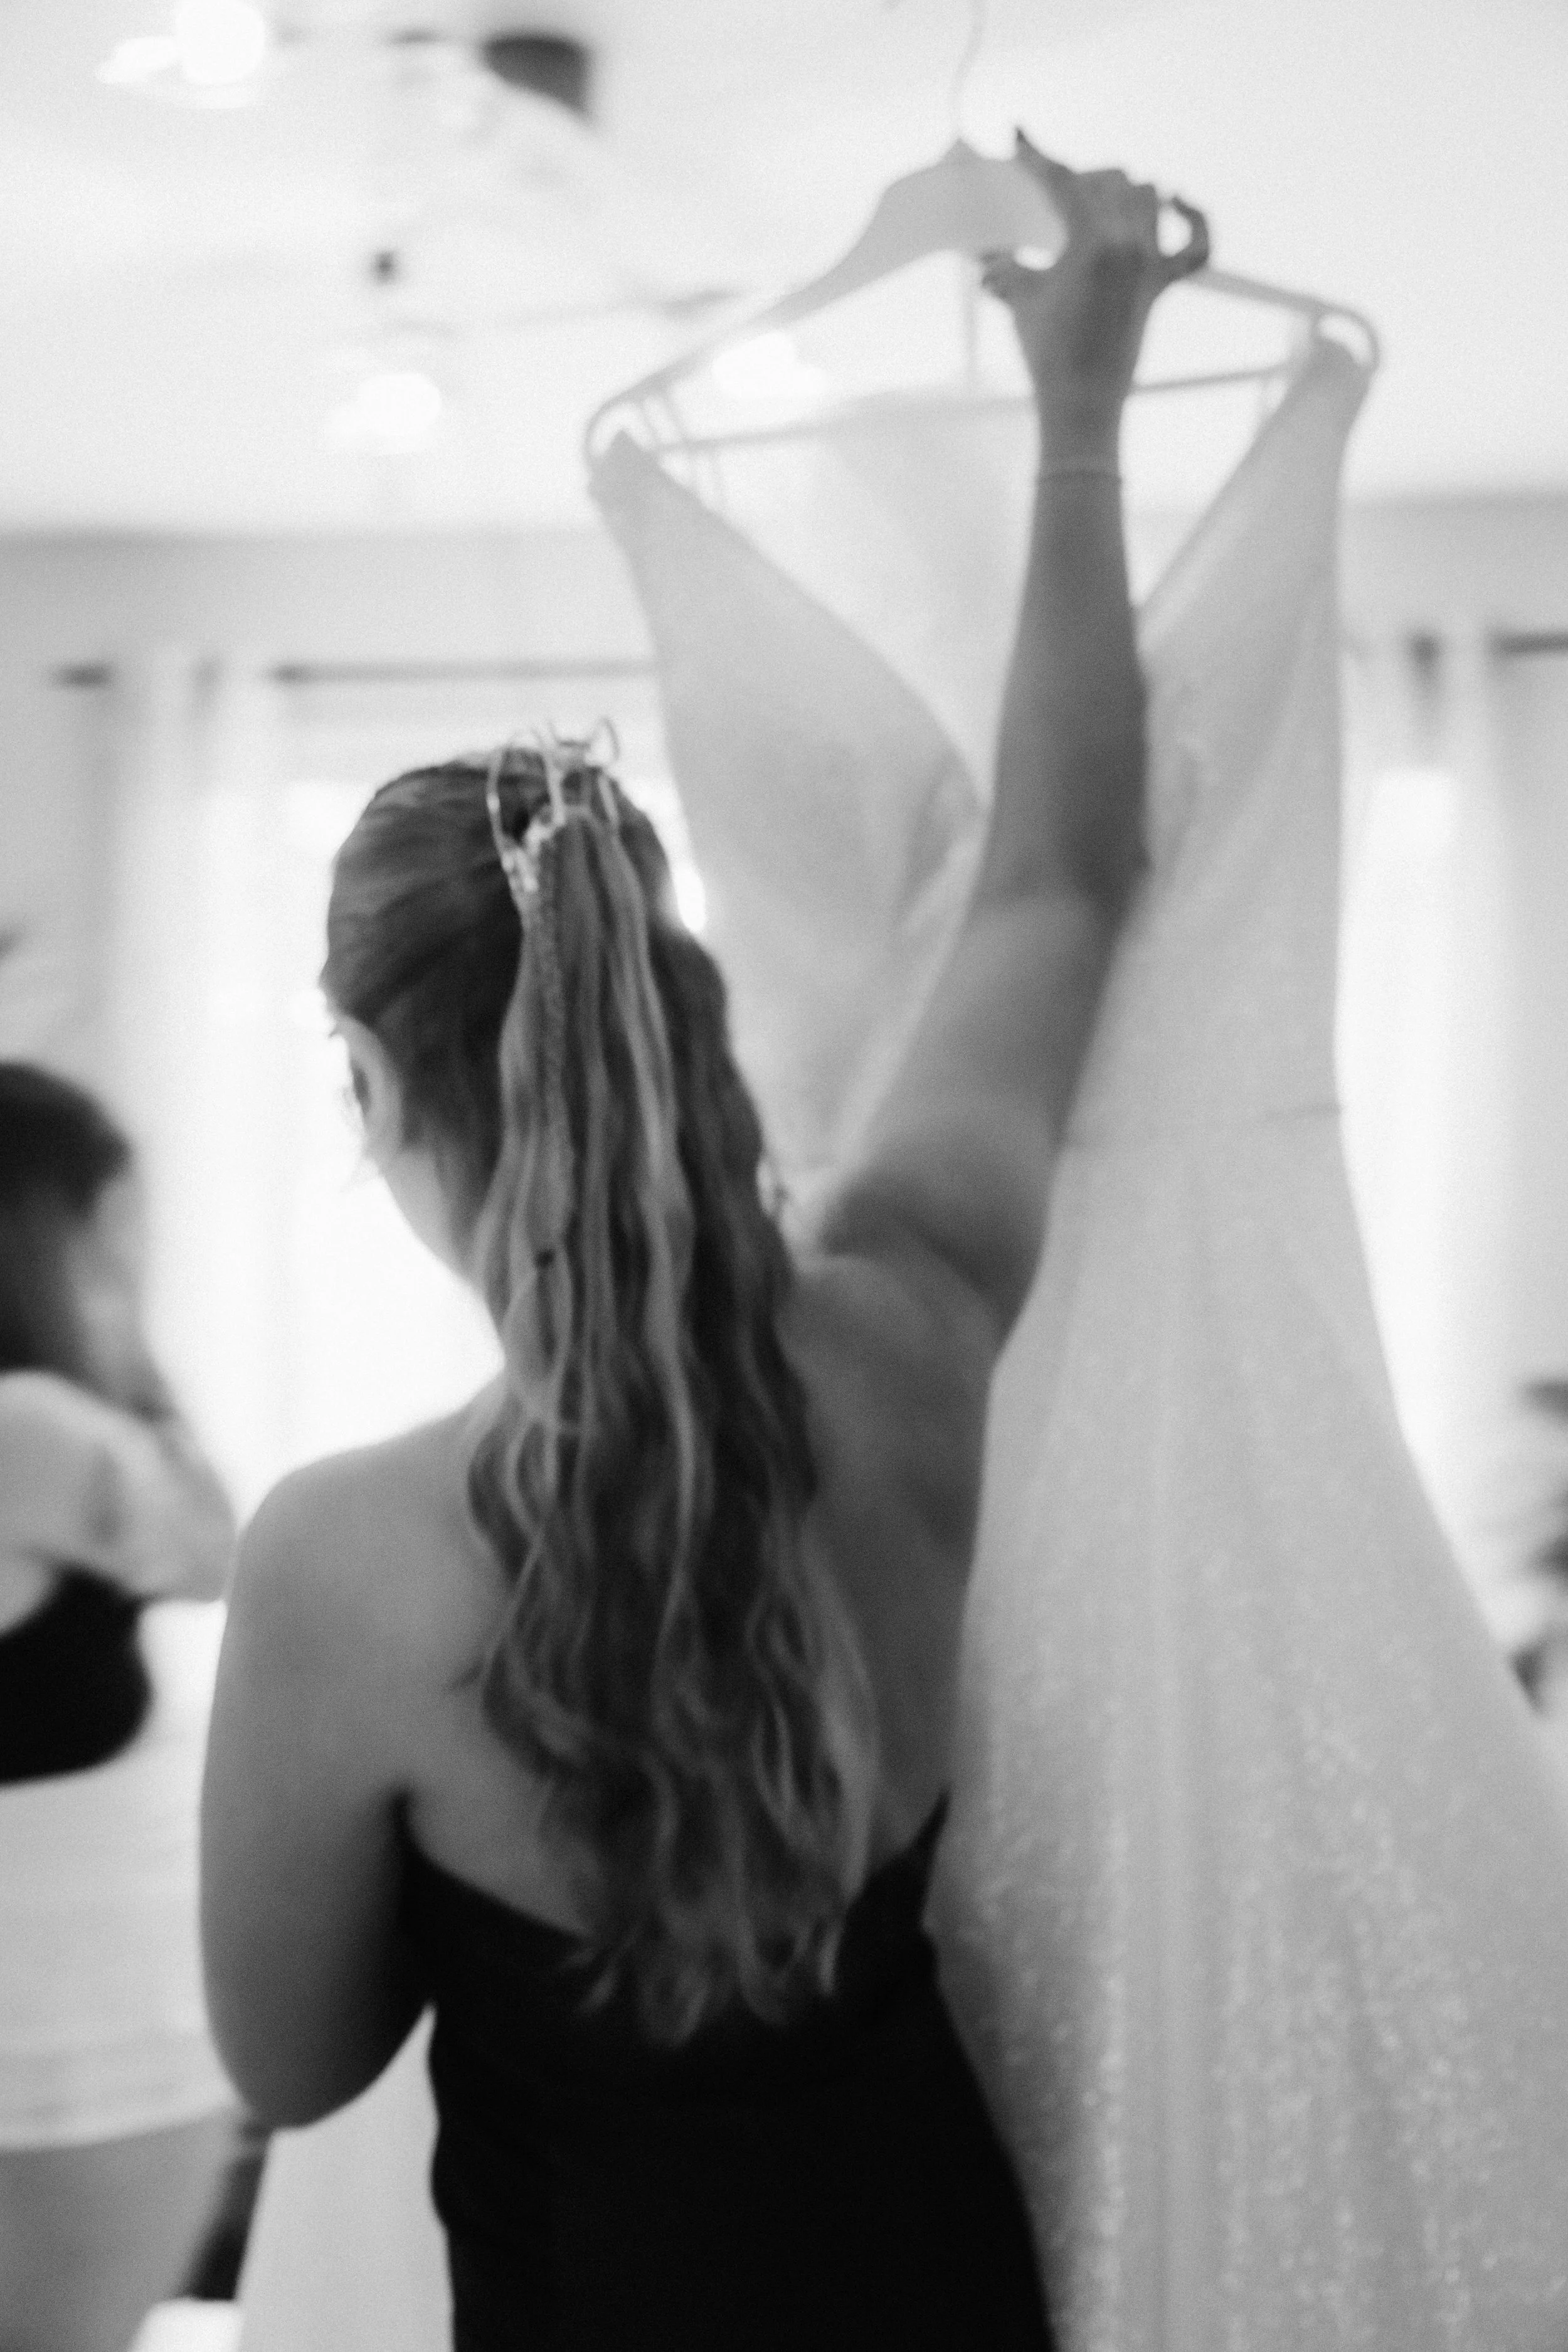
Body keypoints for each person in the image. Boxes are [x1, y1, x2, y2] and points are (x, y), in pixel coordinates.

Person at [201, 145, 1206, 2349]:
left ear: (371, 1090)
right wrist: (1078, 406)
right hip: (945, 2287)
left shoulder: (345, 1562)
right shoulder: (915, 1324)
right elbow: (1055, 878)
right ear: (673, 1019)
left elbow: (293, 2066)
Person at [0, 1063, 238, 2352]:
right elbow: (221, 1550)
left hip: (69, 2039)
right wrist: (127, 1340)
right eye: (112, 1229)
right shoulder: (35, 1431)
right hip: (74, 2056)